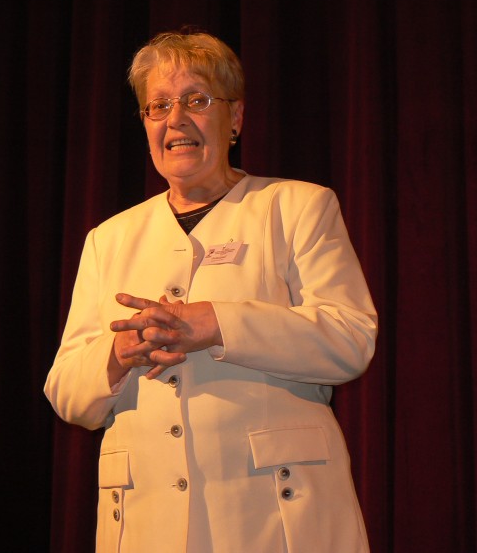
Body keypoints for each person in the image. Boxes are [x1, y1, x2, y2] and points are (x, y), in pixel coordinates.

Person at [44, 31, 377, 552]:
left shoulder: (297, 207)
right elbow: (66, 391)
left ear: (235, 118)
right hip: (146, 524)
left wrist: (216, 323)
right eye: (158, 105)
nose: (175, 119)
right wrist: (118, 352)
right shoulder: (108, 239)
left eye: (197, 100)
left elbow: (349, 339)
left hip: (276, 520)